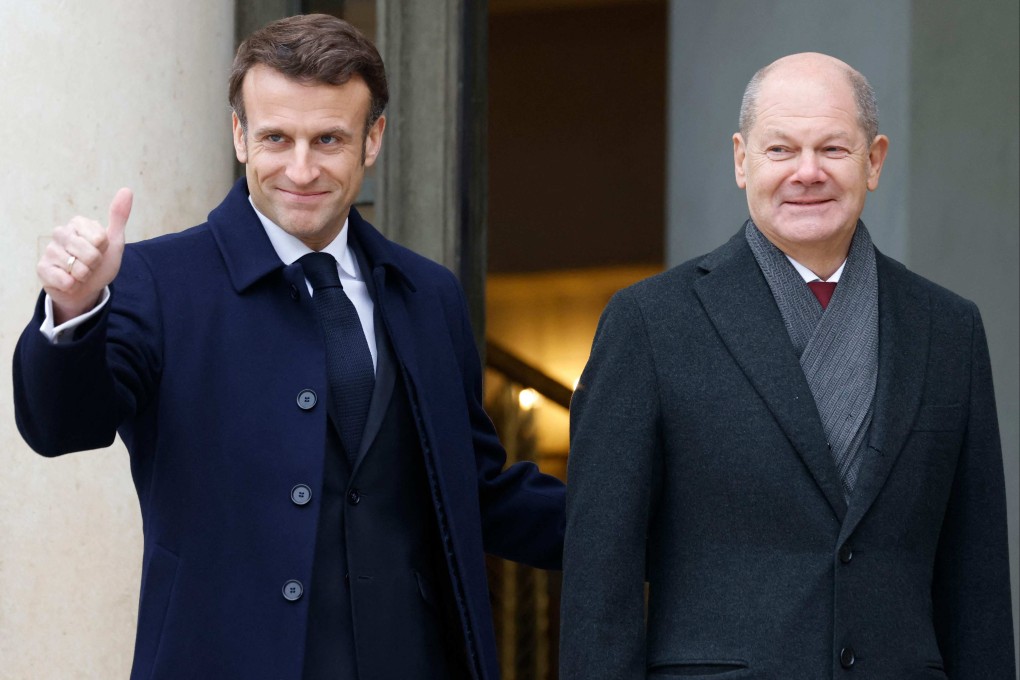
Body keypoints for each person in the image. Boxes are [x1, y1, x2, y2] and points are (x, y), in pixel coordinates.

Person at [13, 14, 564, 680]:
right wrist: (75, 311)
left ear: (373, 139)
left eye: (328, 139)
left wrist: (652, 522)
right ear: (240, 135)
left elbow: (473, 493)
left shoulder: (428, 294)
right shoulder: (155, 281)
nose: (300, 169)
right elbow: (61, 426)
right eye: (276, 137)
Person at [560, 52, 1015, 679]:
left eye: (833, 149)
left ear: (874, 160)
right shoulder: (651, 323)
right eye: (781, 151)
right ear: (741, 160)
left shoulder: (948, 329)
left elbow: (978, 579)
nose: (808, 173)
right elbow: (599, 578)